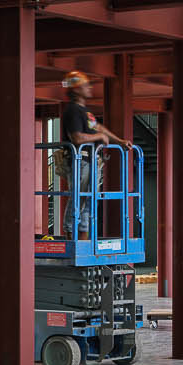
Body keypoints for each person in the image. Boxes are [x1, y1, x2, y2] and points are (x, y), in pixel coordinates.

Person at [57, 71, 126, 239]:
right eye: (86, 85)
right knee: (79, 200)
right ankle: (71, 242)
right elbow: (77, 137)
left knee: (88, 202)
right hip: (80, 161)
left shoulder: (83, 111)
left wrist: (120, 141)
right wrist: (100, 138)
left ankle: (83, 243)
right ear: (77, 89)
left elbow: (98, 127)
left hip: (89, 161)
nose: (89, 88)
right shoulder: (73, 111)